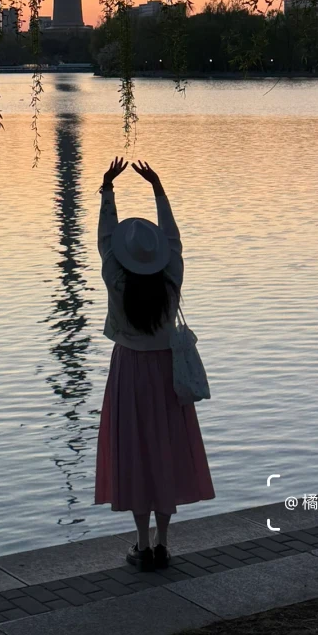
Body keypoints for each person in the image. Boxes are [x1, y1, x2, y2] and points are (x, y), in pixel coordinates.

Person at [94, 157, 215, 570]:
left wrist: (108, 190)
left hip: (129, 370)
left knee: (135, 451)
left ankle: (142, 545)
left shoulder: (116, 280)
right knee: (164, 449)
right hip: (166, 371)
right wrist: (158, 189)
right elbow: (174, 240)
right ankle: (164, 544)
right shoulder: (171, 279)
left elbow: (105, 239)